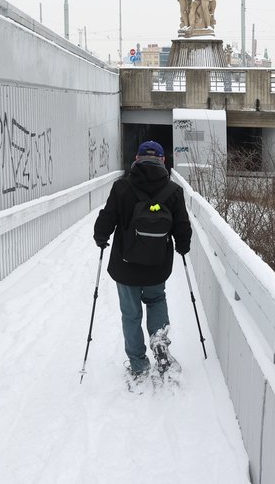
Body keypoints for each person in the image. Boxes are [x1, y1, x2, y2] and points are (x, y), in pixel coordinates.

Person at [93, 140, 192, 379]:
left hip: (125, 266)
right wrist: (183, 245)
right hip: (157, 265)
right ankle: (158, 338)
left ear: (136, 159)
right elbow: (182, 225)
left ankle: (138, 363)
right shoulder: (174, 191)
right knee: (156, 299)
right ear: (163, 161)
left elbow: (107, 217)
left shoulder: (121, 187)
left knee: (131, 313)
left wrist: (101, 237)